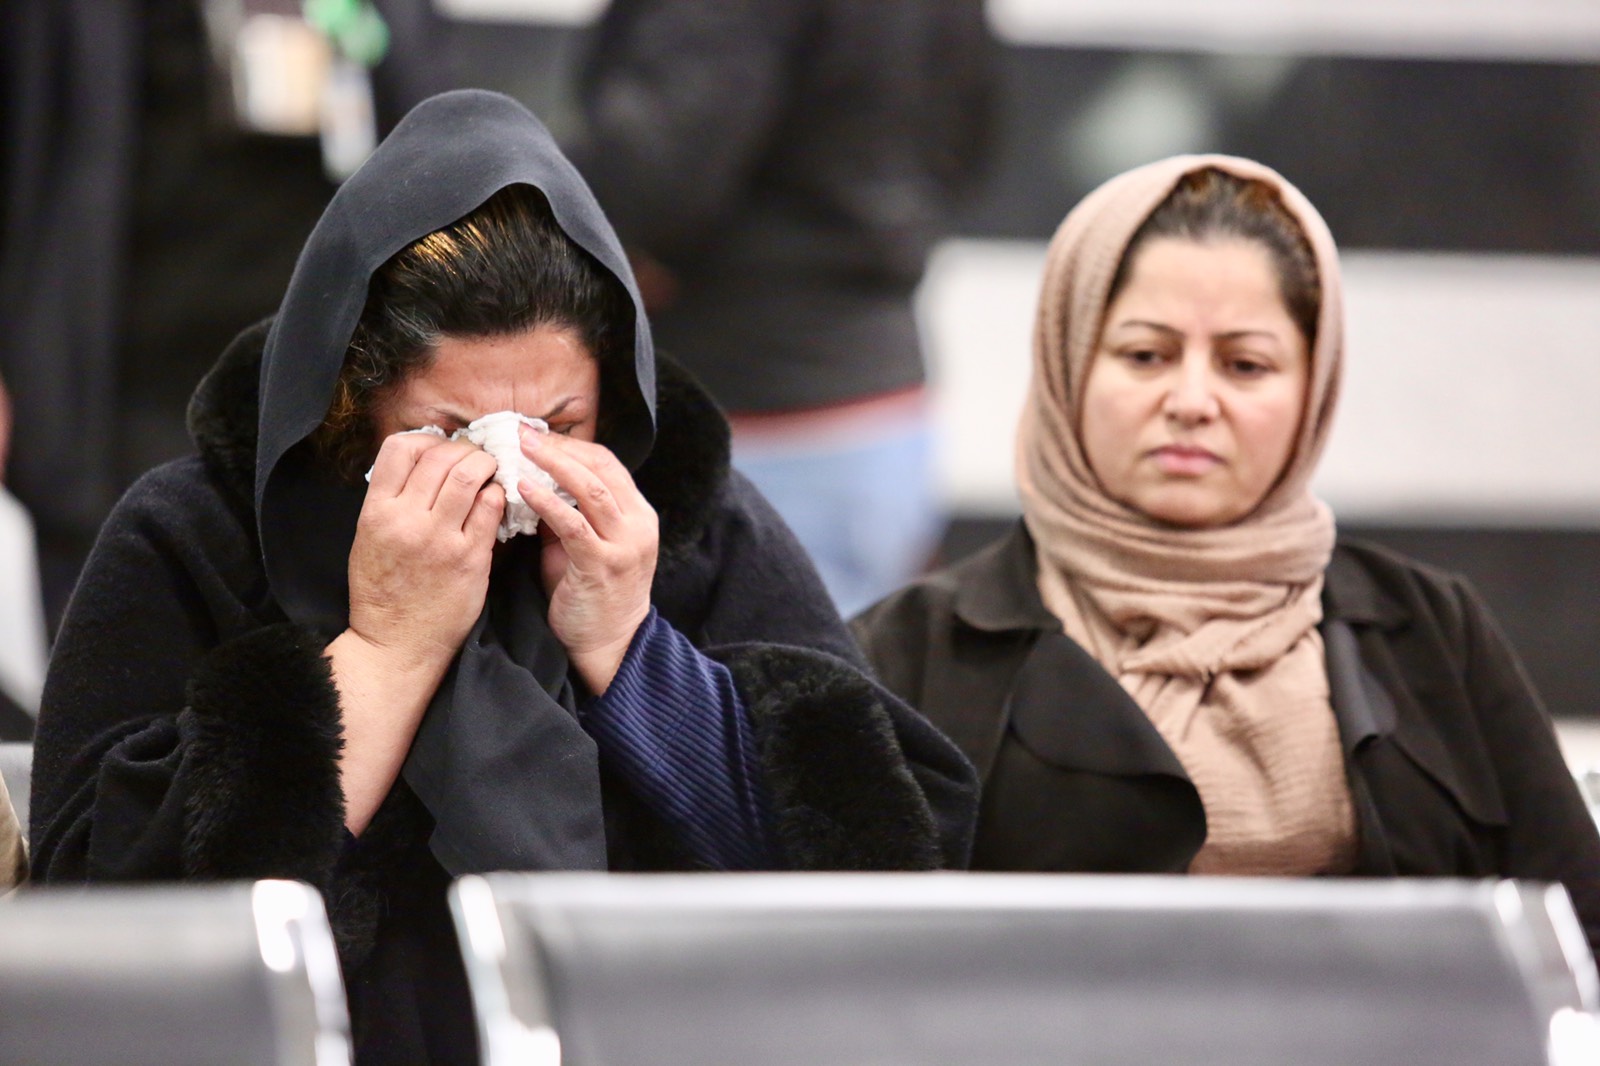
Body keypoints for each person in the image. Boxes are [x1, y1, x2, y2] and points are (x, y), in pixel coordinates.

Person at [29, 89, 977, 1064]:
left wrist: (630, 651)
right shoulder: (203, 531)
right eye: (450, 433)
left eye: (559, 426)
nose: (511, 471)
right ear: (349, 398)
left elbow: (876, 873)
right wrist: (385, 653)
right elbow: (106, 921)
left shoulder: (694, 523)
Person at [852, 154, 1600, 955]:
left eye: (1246, 365)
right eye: (1146, 355)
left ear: (1313, 386)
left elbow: (1575, 930)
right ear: (1069, 362)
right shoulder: (909, 654)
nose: (1192, 402)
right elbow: (849, 963)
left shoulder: (1431, 630)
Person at [570, 0, 997, 617]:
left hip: (743, 404)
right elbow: (970, 136)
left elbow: (658, 162)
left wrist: (610, 251)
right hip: (880, 406)